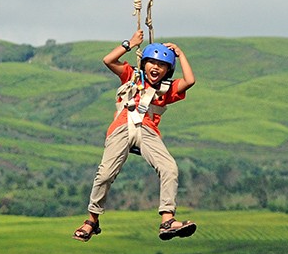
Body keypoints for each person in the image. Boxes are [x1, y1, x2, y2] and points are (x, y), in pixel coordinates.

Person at [73, 29, 197, 242]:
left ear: (168, 70)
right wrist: (129, 43)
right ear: (143, 63)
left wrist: (180, 54)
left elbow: (190, 80)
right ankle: (92, 220)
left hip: (147, 131)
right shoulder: (131, 76)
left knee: (169, 168)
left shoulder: (166, 90)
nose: (155, 68)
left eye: (161, 65)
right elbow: (108, 60)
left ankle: (167, 219)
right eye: (152, 63)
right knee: (104, 175)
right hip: (121, 128)